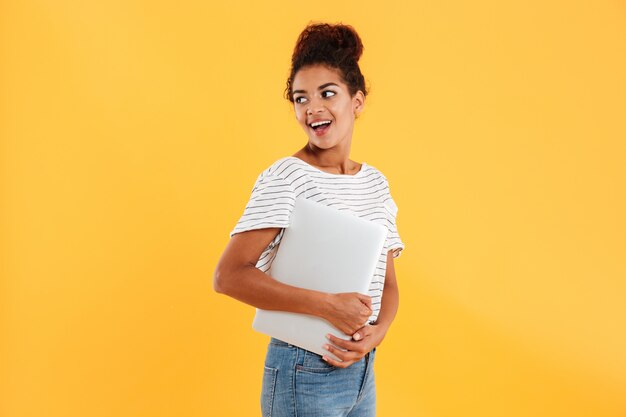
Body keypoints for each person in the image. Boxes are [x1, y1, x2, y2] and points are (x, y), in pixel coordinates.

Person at [213, 22, 405, 417]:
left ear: (357, 101)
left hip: (361, 371)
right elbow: (229, 275)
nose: (312, 108)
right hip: (303, 371)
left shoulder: (376, 184)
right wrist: (327, 306)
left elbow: (388, 285)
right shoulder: (287, 177)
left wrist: (377, 333)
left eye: (327, 93)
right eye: (301, 99)